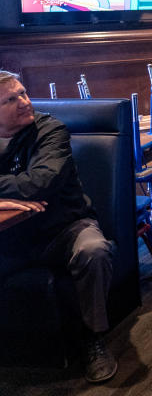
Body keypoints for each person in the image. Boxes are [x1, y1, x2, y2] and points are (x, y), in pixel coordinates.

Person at [0, 71, 117, 382]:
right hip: (11, 238)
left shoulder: (50, 129)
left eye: (23, 93)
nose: (24, 102)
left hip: (64, 228)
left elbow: (40, 182)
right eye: (11, 99)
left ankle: (94, 338)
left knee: (94, 251)